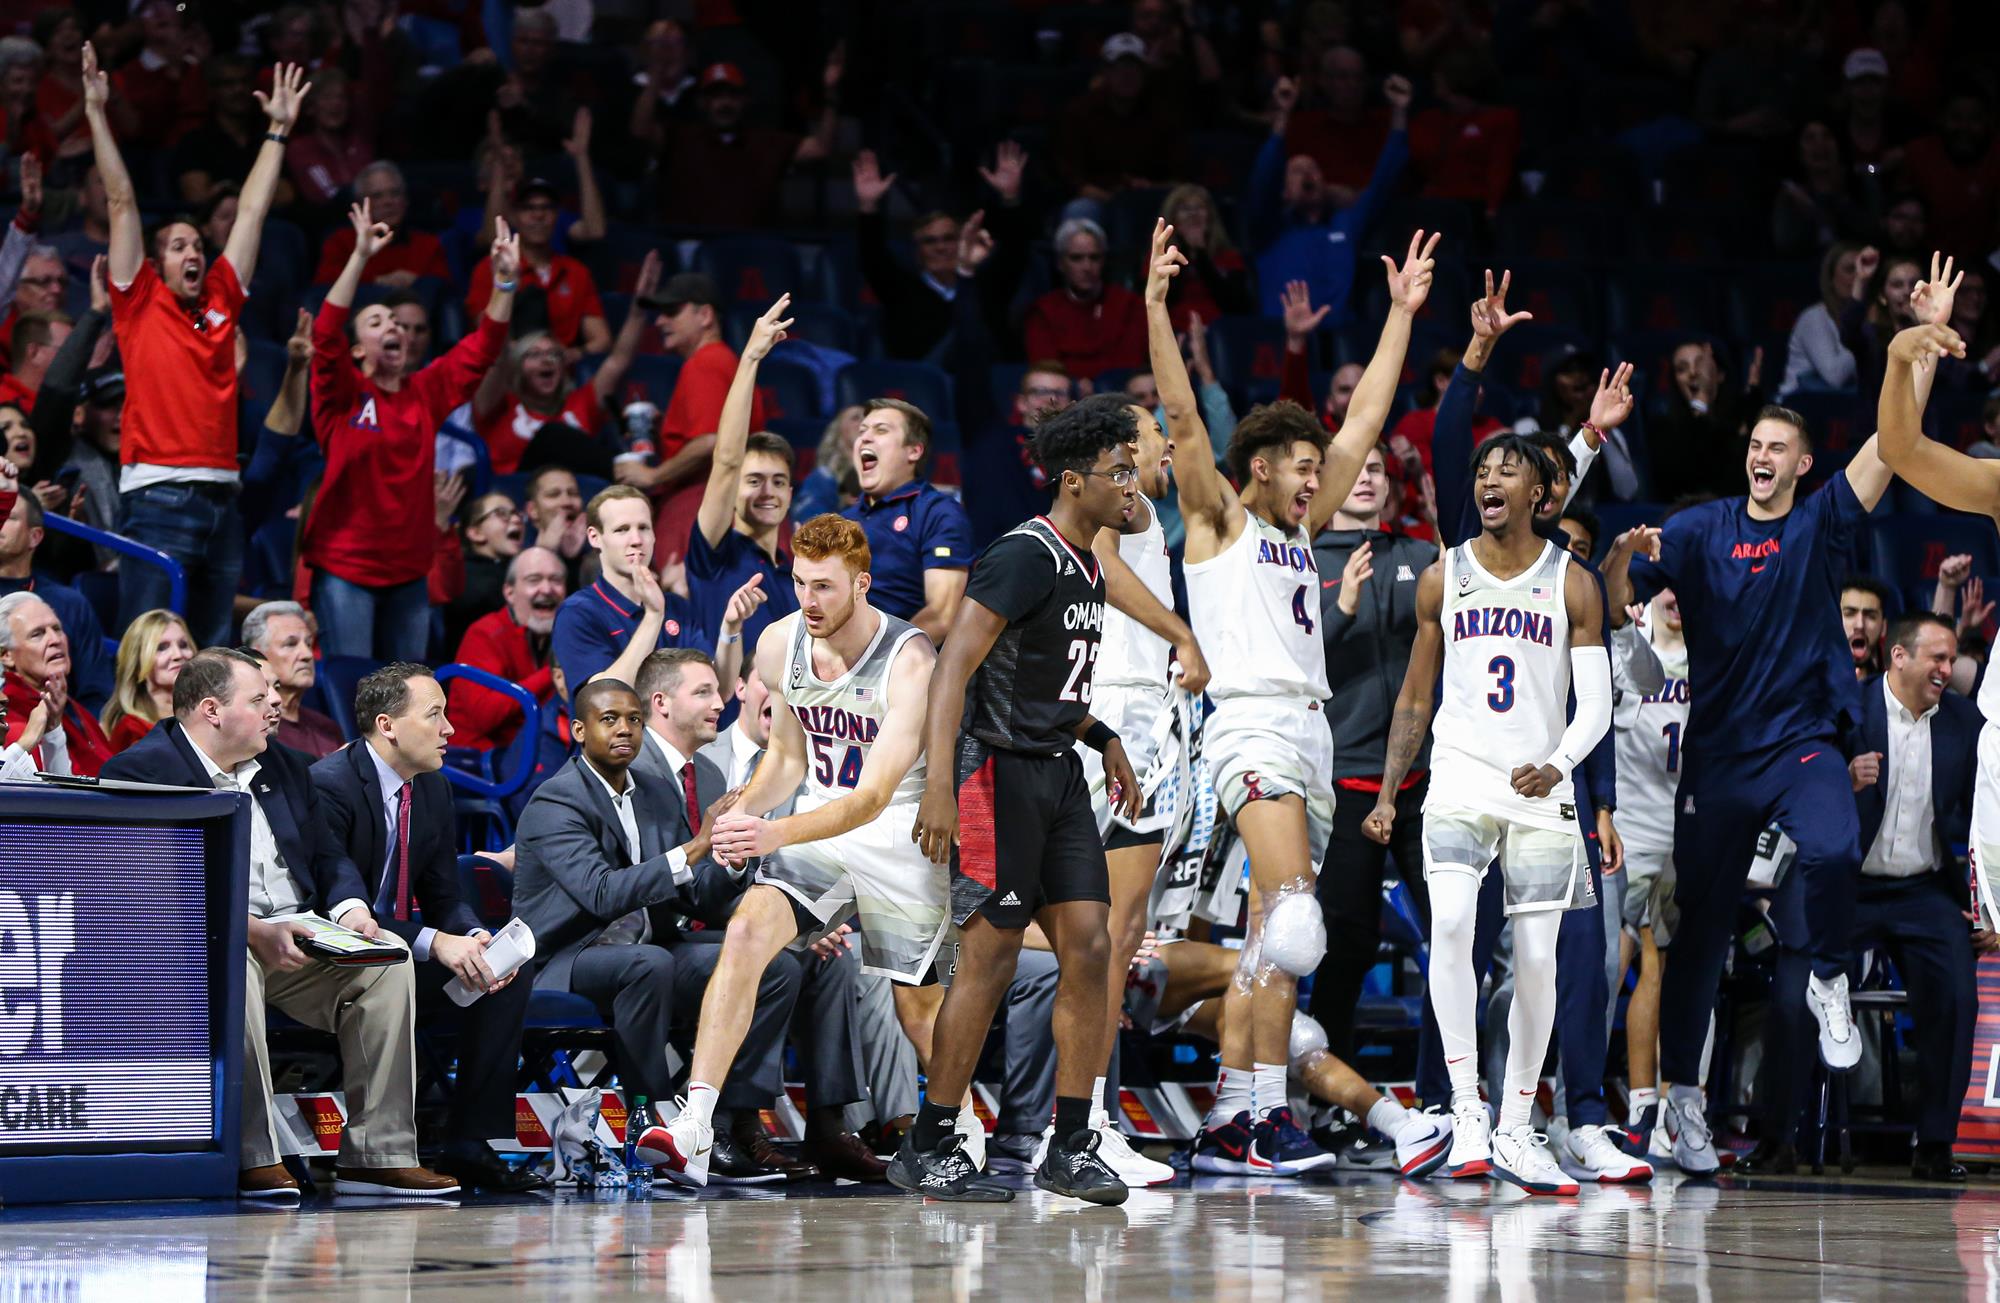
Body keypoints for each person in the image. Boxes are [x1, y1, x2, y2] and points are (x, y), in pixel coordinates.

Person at [1605, 266, 1952, 1176]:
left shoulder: (1824, 521)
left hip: (1803, 743)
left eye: (1778, 446)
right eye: (1753, 443)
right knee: (1699, 936)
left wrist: (1915, 350)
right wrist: (1617, 559)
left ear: (1802, 463)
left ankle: (1830, 976)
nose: (1762, 455)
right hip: (1717, 758)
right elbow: (1615, 601)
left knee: (1835, 849)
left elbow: (1893, 443)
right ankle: (1681, 1105)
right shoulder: (1696, 529)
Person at [1171, 224, 1429, 1175]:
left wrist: (1402, 314)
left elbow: (1364, 416)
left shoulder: (1297, 527)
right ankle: (1258, 1115)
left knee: (1277, 945)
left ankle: (1239, 1118)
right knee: (1294, 922)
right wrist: (1159, 310)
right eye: (1306, 467)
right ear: (1265, 463)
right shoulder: (1221, 523)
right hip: (1250, 721)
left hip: (1310, 732)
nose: (1324, 478)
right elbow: (1184, 420)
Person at [641, 515, 948, 1187]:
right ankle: (694, 1123)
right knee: (749, 930)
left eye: (825, 588)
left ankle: (963, 1130)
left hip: (900, 836)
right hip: (823, 831)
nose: (809, 601)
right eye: (801, 583)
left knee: (917, 1009)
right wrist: (743, 810)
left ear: (861, 584)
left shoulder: (911, 659)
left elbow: (872, 798)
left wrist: (773, 832)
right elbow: (786, 757)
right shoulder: (780, 644)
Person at [103, 649, 457, 1200]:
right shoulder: (143, 771)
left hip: (299, 932)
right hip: (202, 945)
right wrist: (250, 930)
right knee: (233, 961)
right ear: (210, 710)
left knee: (388, 959)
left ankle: (377, 1155)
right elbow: (158, 896)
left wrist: (352, 912)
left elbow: (328, 857)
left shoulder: (284, 766)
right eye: (258, 698)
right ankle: (252, 1156)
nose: (275, 705)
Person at [1365, 433, 1609, 1196]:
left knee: (1538, 959)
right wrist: (1387, 790)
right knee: (1453, 928)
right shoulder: (1445, 576)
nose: (1489, 479)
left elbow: (1599, 703)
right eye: (1481, 470)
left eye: (1508, 470)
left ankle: (1515, 1124)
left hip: (1542, 786)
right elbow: (1415, 695)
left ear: (1543, 494)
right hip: (1461, 780)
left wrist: (1561, 765)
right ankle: (1465, 1108)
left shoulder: (1574, 582)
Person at [511, 675, 808, 1185]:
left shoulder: (653, 792)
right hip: (566, 958)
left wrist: (731, 858)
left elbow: (691, 896)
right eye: (609, 720)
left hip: (652, 947)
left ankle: (718, 1125)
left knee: (776, 965)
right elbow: (602, 894)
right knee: (648, 965)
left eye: (633, 719)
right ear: (579, 731)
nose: (625, 729)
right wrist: (696, 845)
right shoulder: (555, 801)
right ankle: (647, 1121)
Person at [85, 46, 311, 647]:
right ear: (157, 262)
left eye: (197, 246)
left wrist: (278, 131)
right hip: (159, 498)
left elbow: (253, 212)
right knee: (147, 655)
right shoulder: (139, 300)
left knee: (210, 657)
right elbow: (121, 201)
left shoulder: (218, 300)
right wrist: (96, 113)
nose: (194, 253)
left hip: (222, 500)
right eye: (179, 245)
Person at [311, 663, 543, 1194]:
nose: (450, 731)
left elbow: (444, 896)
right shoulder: (330, 785)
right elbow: (335, 906)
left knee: (504, 975)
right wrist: (438, 943)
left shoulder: (432, 788)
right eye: (435, 715)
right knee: (411, 958)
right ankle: (380, 1151)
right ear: (388, 725)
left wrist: (471, 936)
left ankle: (470, 1141)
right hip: (339, 959)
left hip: (399, 953)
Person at [301, 203, 516, 660]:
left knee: (403, 696)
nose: (393, 326)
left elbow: (484, 347)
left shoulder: (425, 391)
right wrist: (359, 257)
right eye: (378, 322)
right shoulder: (342, 396)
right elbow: (324, 333)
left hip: (409, 574)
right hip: (347, 570)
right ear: (358, 349)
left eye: (397, 322)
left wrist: (505, 281)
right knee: (355, 689)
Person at [1308, 443, 1439, 1063]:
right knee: (1348, 945)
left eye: (1376, 471)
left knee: (1454, 935)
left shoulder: (1420, 557)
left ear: (1391, 488)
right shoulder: (1303, 561)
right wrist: (1342, 610)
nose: (1364, 479)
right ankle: (1329, 1097)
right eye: (1352, 470)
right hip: (1344, 782)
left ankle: (1449, 1094)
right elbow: (1289, 664)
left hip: (1425, 780)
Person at [1609, 586, 1688, 1153]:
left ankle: (1655, 1110)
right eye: (1667, 583)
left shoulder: (1718, 654)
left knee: (1667, 975)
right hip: (1630, 831)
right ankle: (1573, 1104)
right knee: (1608, 972)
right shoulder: (1626, 646)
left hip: (1688, 833)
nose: (1677, 595)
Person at [614, 272, 765, 567]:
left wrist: (653, 476)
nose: (660, 322)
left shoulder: (704, 363)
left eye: (672, 312)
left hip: (697, 505)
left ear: (705, 314)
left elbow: (710, 442)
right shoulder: (726, 361)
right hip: (727, 504)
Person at [471, 252, 659, 478]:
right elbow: (498, 356)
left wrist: (639, 309)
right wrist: (503, 291)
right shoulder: (497, 407)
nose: (547, 359)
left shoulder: (580, 403)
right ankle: (622, 470)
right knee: (552, 435)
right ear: (518, 365)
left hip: (577, 501)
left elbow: (618, 361)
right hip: (519, 498)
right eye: (534, 354)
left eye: (554, 354)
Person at [688, 297, 799, 670]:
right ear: (733, 489)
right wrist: (750, 358)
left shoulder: (797, 578)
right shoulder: (714, 554)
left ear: (790, 494)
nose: (767, 492)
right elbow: (726, 460)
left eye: (778, 482)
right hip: (722, 725)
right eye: (753, 480)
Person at [1250, 74, 1410, 326]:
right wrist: (1282, 115)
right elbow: (1264, 177)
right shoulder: (1270, 230)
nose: (1308, 174)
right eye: (1297, 171)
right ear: (1284, 192)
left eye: (1313, 169)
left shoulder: (1344, 225)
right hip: (1281, 336)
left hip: (1336, 340)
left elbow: (1383, 182)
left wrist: (1400, 111)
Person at [549, 485, 704, 700]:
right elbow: (606, 698)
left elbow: (718, 691)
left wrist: (731, 631)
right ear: (595, 537)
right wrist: (653, 616)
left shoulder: (678, 607)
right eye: (622, 529)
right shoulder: (577, 613)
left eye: (643, 527)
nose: (636, 540)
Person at [839, 399, 973, 645]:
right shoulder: (842, 520)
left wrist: (876, 659)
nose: (865, 438)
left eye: (881, 430)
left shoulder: (937, 513)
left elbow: (942, 616)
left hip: (902, 667)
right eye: (862, 431)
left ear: (914, 450)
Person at [464, 171, 609, 357]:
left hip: (559, 373)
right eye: (528, 208)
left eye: (546, 208)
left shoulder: (576, 272)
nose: (538, 215)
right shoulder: (490, 268)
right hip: (506, 370)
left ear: (557, 215)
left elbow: (601, 339)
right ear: (514, 216)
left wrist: (571, 355)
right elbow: (486, 335)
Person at [0, 491, 113, 712]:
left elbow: (97, 693)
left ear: (35, 536)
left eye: (8, 516)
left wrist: (72, 738)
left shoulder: (69, 603)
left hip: (63, 733)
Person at [448, 546, 565, 753]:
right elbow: (487, 716)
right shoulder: (484, 634)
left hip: (534, 754)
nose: (547, 589)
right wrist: (555, 671)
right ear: (509, 592)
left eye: (556, 580)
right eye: (534, 580)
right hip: (478, 763)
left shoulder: (566, 635)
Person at [0, 590, 112, 777]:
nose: (55, 640)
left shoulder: (72, 707)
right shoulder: (11, 725)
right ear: (6, 655)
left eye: (57, 629)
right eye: (37, 634)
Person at [1022, 218, 1146, 381]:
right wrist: (1075, 385)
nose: (1087, 267)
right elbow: (1046, 370)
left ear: (1103, 261)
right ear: (1060, 263)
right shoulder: (1043, 311)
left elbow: (1131, 365)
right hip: (1064, 399)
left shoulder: (1129, 305)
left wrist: (1096, 385)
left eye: (1094, 257)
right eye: (1076, 258)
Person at [310, 161, 452, 286]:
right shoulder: (340, 242)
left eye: (395, 193)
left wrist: (419, 281)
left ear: (406, 201)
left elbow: (445, 287)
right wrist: (375, 281)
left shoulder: (428, 244)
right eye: (377, 196)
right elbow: (324, 283)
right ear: (360, 205)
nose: (388, 202)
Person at [241, 600, 343, 759]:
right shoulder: (255, 727)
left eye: (308, 643)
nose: (307, 655)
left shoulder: (327, 727)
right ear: (258, 655)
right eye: (291, 644)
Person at [101, 608, 195, 753]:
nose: (178, 655)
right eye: (162, 648)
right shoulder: (131, 730)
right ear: (138, 663)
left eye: (183, 645)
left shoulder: (208, 712)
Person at [1778, 242, 1863, 399]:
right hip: (1796, 409)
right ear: (1831, 278)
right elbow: (1835, 376)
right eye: (1850, 270)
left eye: (1862, 270)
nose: (1859, 277)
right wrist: (1860, 327)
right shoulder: (1814, 318)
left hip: (1839, 409)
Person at [1841, 576, 1894, 679]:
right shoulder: (1811, 683)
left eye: (1871, 616)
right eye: (1849, 614)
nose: (1860, 625)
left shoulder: (1893, 685)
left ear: (1883, 627)